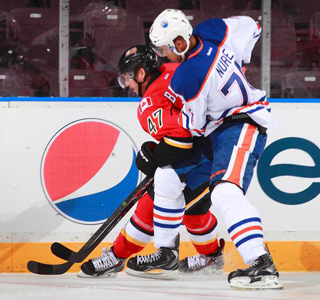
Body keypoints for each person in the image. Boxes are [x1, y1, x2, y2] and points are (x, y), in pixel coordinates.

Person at [146, 9, 283, 289]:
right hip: (219, 131)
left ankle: (262, 264)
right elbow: (252, 26)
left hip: (241, 124)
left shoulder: (187, 75)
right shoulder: (212, 30)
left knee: (224, 191)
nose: (162, 56)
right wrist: (238, 65)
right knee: (168, 174)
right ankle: (166, 251)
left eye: (164, 50)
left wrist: (163, 146)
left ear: (180, 44)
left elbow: (193, 128)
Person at [78, 45, 224, 280]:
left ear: (142, 73)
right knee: (194, 212)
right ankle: (211, 258)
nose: (129, 86)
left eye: (128, 78)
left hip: (203, 158)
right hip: (221, 143)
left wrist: (154, 156)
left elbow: (180, 140)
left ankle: (121, 257)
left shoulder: (148, 105)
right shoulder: (174, 68)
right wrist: (157, 153)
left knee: (153, 202)